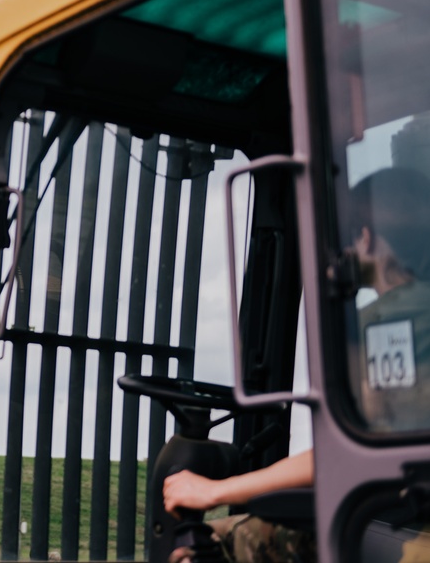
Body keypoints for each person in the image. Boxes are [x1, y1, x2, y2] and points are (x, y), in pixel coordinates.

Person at [163, 167, 430, 563]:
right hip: (406, 510)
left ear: (367, 238)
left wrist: (216, 491)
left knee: (205, 547)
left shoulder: (378, 322)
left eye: (345, 242)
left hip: (413, 528)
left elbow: (344, 455)